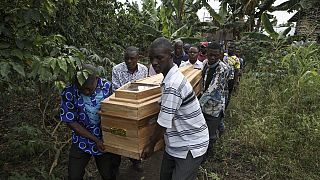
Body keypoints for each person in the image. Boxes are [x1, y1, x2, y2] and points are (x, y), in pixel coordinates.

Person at [142, 37, 209, 180]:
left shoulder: (173, 84)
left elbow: (163, 123)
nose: (154, 62)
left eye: (159, 58)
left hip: (191, 145)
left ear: (171, 56)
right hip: (175, 142)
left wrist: (150, 145)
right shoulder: (168, 78)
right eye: (151, 58)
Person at [60, 64, 120, 180]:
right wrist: (95, 140)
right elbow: (70, 122)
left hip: (105, 139)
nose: (86, 92)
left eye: (88, 88)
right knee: (74, 175)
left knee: (108, 174)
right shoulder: (69, 91)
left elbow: (114, 113)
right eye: (82, 89)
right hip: (81, 140)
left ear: (96, 79)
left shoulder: (107, 87)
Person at [112, 46, 148, 172]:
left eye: (132, 58)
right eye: (126, 58)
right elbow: (116, 90)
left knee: (135, 135)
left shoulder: (143, 69)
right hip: (121, 106)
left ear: (138, 58)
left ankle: (135, 160)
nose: (129, 61)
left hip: (137, 108)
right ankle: (116, 165)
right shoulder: (117, 69)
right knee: (120, 135)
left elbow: (145, 88)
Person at [199, 42, 228, 156]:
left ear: (220, 55)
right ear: (206, 53)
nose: (212, 57)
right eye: (210, 54)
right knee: (204, 129)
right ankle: (221, 130)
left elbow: (212, 89)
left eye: (215, 55)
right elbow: (202, 80)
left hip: (215, 105)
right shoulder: (205, 63)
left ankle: (208, 154)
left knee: (210, 134)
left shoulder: (223, 68)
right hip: (204, 102)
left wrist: (197, 104)